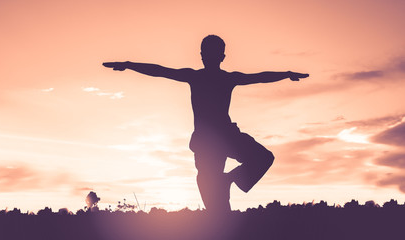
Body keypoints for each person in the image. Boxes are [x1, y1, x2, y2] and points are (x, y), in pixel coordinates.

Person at [103, 35, 309, 212]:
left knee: (263, 158)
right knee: (217, 207)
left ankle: (228, 181)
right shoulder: (202, 77)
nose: (206, 56)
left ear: (219, 57)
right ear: (208, 55)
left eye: (209, 52)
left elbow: (259, 77)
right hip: (210, 142)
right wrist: (129, 65)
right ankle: (224, 197)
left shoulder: (215, 78)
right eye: (205, 52)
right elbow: (160, 70)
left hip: (223, 137)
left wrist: (286, 74)